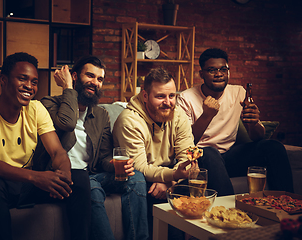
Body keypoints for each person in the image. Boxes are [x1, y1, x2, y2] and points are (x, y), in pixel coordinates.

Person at [0, 52, 90, 240]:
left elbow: (57, 151)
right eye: (22, 79)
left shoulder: (36, 109)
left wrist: (64, 174)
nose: (29, 86)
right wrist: (35, 177)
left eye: (34, 81)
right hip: (0, 183)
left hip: (27, 185)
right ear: (3, 80)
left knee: (79, 178)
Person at [112, 68, 233, 239]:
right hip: (144, 180)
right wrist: (172, 176)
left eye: (172, 96)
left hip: (169, 175)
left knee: (210, 154)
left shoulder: (177, 114)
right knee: (157, 195)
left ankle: (233, 222)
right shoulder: (129, 121)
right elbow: (139, 168)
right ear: (145, 96)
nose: (168, 102)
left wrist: (171, 180)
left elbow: (188, 154)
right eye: (160, 96)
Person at [41, 55, 149, 240]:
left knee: (136, 177)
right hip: (70, 176)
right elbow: (67, 123)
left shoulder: (100, 114)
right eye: (90, 76)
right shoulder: (48, 104)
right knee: (89, 185)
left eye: (100, 79)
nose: (95, 83)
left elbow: (104, 158)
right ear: (74, 76)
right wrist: (67, 88)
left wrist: (115, 165)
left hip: (91, 174)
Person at [177, 48, 294, 193]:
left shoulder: (239, 92)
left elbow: (258, 138)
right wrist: (207, 115)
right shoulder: (186, 98)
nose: (219, 74)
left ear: (228, 71)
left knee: (273, 147)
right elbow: (186, 142)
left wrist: (254, 123)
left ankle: (288, 206)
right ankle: (230, 212)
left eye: (223, 69)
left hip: (229, 157)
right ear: (202, 74)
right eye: (212, 70)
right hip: (202, 157)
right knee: (210, 152)